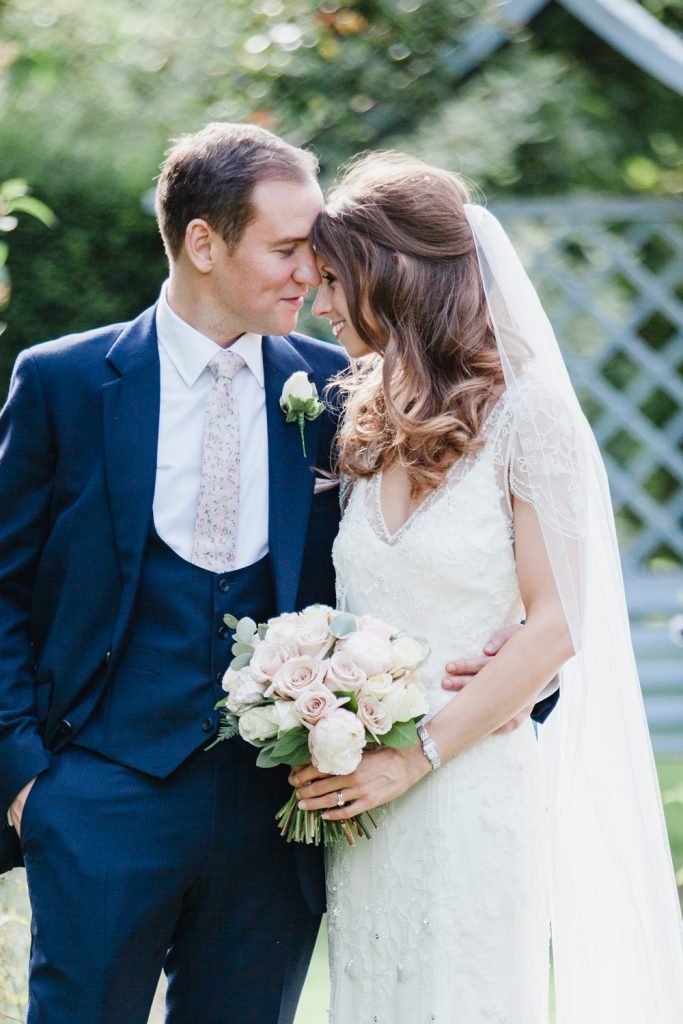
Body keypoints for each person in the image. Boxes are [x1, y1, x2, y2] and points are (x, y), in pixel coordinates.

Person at [0, 124, 550, 1024]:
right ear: (203, 243)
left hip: (283, 814)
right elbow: (4, 587)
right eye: (290, 249)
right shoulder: (62, 381)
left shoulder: (348, 385)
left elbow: (441, 550)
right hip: (99, 797)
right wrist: (28, 782)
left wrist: (523, 672)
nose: (312, 274)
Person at [291, 152, 683, 1023]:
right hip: (365, 806)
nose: (317, 304)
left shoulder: (525, 411)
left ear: (388, 276)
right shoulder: (366, 413)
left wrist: (413, 757)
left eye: (330, 280)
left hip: (464, 784)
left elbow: (555, 624)